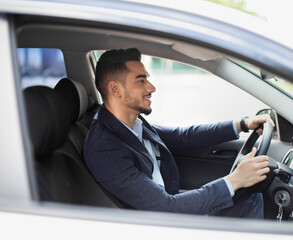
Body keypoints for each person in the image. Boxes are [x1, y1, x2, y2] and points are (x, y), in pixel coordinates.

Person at [83, 48, 273, 218]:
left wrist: (242, 124)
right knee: (250, 198)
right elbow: (165, 207)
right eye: (141, 80)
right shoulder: (104, 147)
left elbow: (184, 136)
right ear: (115, 89)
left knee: (248, 193)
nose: (151, 88)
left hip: (169, 206)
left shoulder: (133, 123)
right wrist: (235, 180)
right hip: (163, 223)